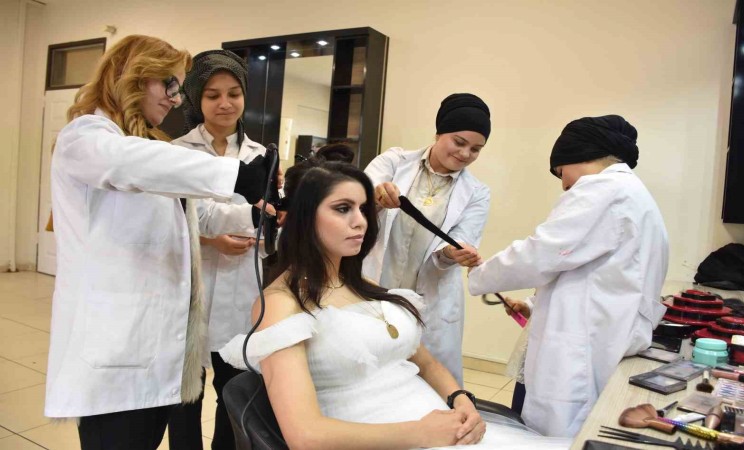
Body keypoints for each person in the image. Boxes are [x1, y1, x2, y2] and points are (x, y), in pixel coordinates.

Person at [220, 162, 570, 449]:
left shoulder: (366, 287)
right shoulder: (281, 305)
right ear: (303, 217)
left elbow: (427, 363)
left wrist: (461, 401)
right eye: (342, 209)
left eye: (362, 209)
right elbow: (305, 436)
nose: (360, 221)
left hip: (440, 428)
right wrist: (421, 433)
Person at [44, 35, 271, 450]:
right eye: (168, 84)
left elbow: (194, 216)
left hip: (153, 346)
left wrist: (256, 215)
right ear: (132, 77)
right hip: (115, 350)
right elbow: (123, 161)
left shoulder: (150, 149)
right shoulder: (86, 136)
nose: (174, 98)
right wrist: (236, 175)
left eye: (178, 88)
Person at [468, 115, 669, 437]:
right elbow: (593, 273)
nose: (563, 184)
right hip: (607, 335)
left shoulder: (603, 189)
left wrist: (480, 273)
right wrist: (533, 304)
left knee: (559, 432)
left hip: (581, 349)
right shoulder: (634, 193)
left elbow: (543, 252)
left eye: (561, 172)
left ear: (579, 155)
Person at [168, 49, 275, 450]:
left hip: (241, 285)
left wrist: (262, 230)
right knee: (185, 395)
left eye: (234, 93)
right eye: (213, 95)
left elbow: (271, 218)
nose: (225, 103)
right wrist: (211, 239)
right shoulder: (175, 151)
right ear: (197, 99)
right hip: (187, 284)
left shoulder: (262, 155)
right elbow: (171, 219)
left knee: (234, 392)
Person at [363, 93, 492, 384]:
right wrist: (376, 197)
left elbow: (460, 239)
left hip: (429, 300)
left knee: (424, 382)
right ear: (439, 133)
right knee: (371, 373)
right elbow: (357, 200)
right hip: (377, 286)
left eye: (476, 149)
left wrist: (453, 253)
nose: (465, 154)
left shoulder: (477, 192)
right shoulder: (394, 161)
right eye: (459, 142)